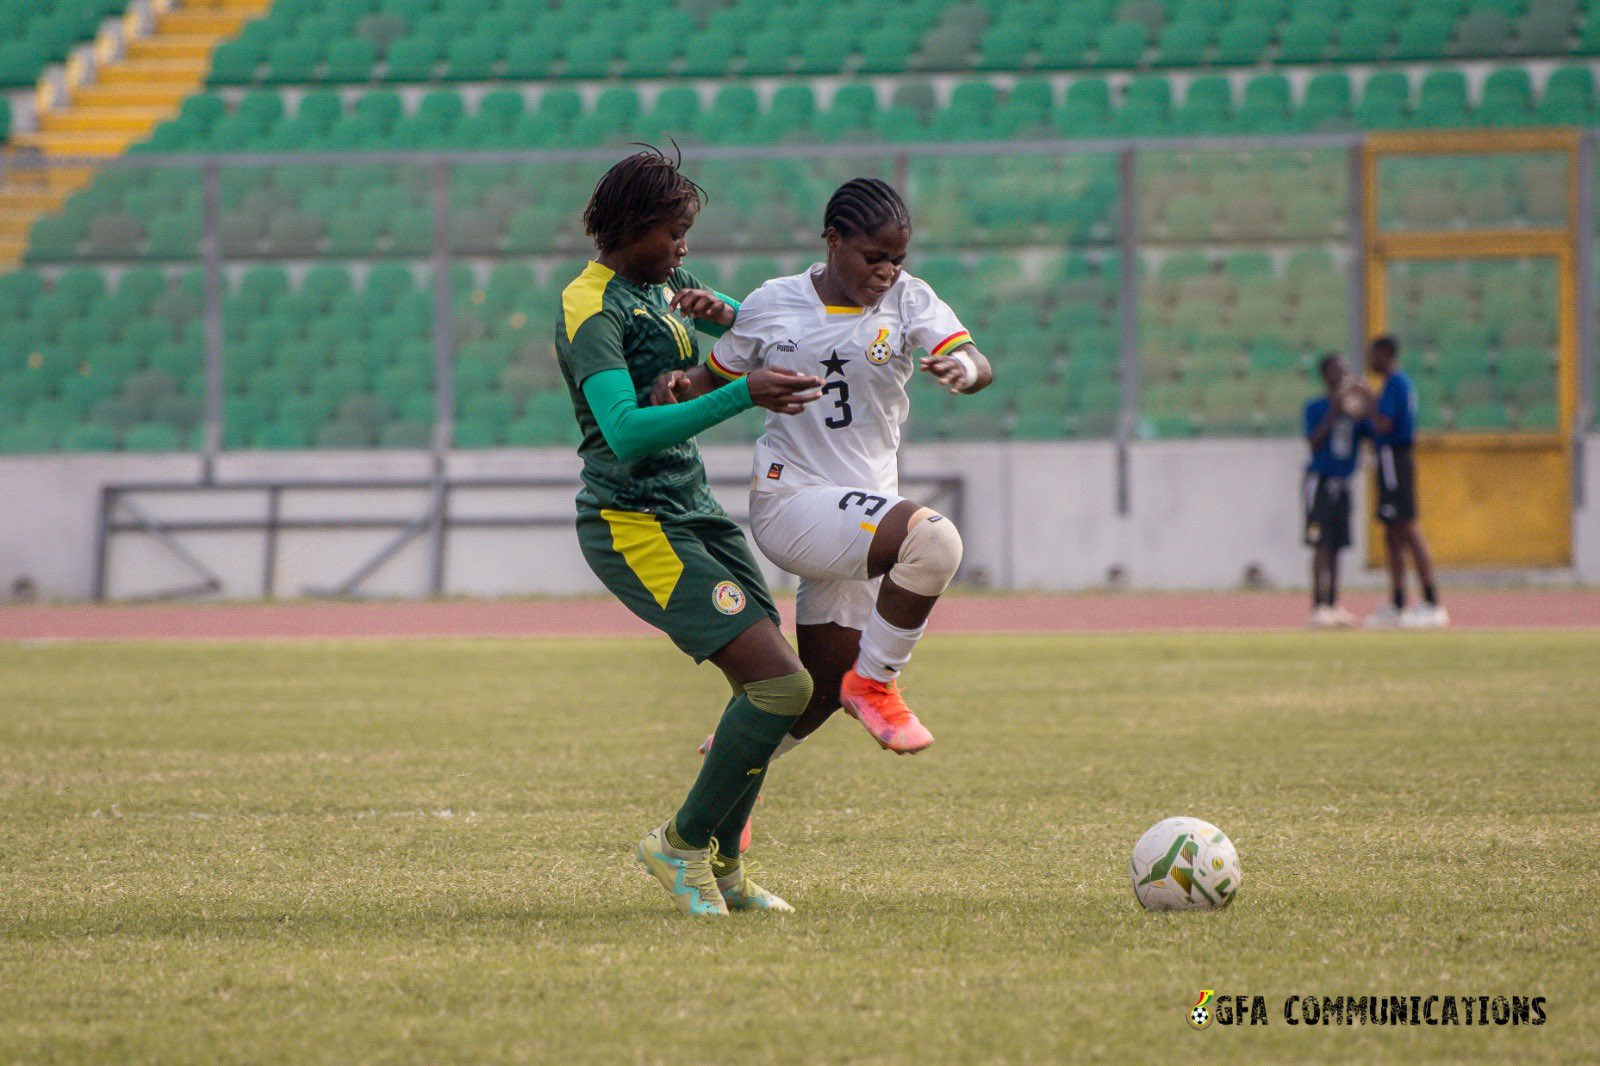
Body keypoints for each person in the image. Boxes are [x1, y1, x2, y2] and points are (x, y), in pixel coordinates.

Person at [555, 146, 826, 917]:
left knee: (767, 688)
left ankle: (728, 870)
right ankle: (678, 846)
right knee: (785, 685)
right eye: (674, 233)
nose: (684, 250)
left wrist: (731, 315)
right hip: (633, 522)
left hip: (693, 508)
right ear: (632, 227)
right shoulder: (591, 306)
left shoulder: (663, 286)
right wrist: (743, 394)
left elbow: (754, 342)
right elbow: (626, 431)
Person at [658, 177, 991, 777]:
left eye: (897, 258)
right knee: (935, 540)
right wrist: (677, 387)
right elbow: (707, 380)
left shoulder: (910, 299)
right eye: (873, 257)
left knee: (810, 697)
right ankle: (878, 685)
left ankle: (719, 785)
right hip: (793, 502)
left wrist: (962, 368)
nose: (887, 271)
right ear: (833, 241)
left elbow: (976, 359)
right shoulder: (772, 303)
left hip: (863, 517)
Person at [1357, 335, 1448, 629]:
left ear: (1385, 354)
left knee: (1407, 526)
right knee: (1391, 531)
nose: (1371, 361)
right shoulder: (1393, 386)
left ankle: (1432, 601)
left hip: (1395, 459)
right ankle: (1397, 602)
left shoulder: (1396, 384)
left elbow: (1386, 424)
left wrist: (1367, 400)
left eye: (1374, 355)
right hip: (1387, 461)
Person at [1302, 354, 1369, 629]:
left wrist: (1363, 403)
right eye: (1335, 371)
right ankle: (1318, 606)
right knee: (1321, 545)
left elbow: (1372, 432)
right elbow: (1313, 442)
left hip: (1342, 484)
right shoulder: (1316, 407)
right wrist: (1334, 410)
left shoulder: (1353, 413)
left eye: (1344, 371)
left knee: (1338, 546)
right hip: (1320, 482)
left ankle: (1334, 603)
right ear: (1325, 375)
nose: (1341, 376)